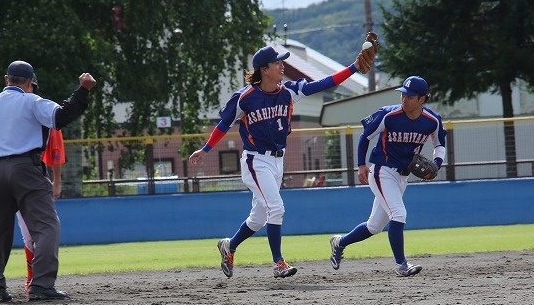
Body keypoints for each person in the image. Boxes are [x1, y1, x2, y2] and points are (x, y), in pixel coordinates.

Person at [188, 45, 364, 279]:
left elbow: (323, 84)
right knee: (276, 208)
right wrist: (206, 149)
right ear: (264, 69)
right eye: (277, 63)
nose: (282, 66)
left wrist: (354, 68)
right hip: (255, 161)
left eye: (282, 62)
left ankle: (229, 246)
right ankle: (278, 263)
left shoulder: (288, 91)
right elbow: (224, 124)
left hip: (277, 162)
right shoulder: (246, 98)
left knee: (258, 218)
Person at [0, 60, 95, 302]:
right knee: (46, 226)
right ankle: (41, 285)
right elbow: (61, 117)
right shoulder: (32, 101)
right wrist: (83, 91)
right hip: (26, 168)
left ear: (6, 79)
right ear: (30, 82)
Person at [329, 75, 447, 277]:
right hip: (382, 171)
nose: (404, 99)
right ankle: (401, 264)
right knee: (399, 214)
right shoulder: (389, 114)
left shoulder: (432, 120)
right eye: (403, 95)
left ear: (422, 99)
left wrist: (437, 163)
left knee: (374, 226)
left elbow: (439, 144)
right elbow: (365, 136)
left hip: (402, 177)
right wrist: (361, 165)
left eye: (410, 96)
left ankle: (339, 242)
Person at [0, 123, 66, 294]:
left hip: (16, 174)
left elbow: (55, 150)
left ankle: (27, 280)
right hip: (16, 175)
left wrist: (57, 181)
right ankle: (22, 285)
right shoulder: (4, 113)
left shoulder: (41, 113)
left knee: (26, 234)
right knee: (8, 230)